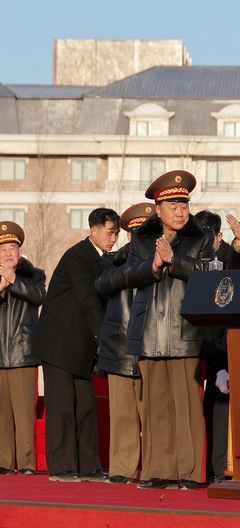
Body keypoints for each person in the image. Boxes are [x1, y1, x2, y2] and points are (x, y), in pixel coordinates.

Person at [124, 171, 216, 491]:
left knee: (187, 406)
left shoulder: (201, 237)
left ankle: (188, 472)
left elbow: (209, 272)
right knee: (156, 406)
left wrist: (174, 260)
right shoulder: (140, 239)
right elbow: (128, 274)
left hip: (185, 333)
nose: (180, 212)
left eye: (184, 206)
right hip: (150, 331)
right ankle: (157, 471)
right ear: (157, 209)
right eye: (173, 206)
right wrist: (152, 265)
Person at [32, 208, 120, 483]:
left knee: (85, 406)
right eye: (110, 232)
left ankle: (88, 466)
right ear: (93, 230)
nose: (114, 238)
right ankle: (61, 467)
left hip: (82, 345)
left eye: (117, 233)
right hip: (58, 344)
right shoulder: (78, 256)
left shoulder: (105, 259)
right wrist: (107, 343)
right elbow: (88, 301)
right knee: (62, 406)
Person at [94, 202, 155, 484]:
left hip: (150, 347)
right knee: (121, 415)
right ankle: (122, 468)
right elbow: (102, 285)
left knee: (153, 415)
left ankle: (155, 469)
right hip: (118, 346)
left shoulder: (164, 261)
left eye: (146, 232)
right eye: (136, 233)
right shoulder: (113, 261)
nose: (140, 238)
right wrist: (134, 263)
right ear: (129, 235)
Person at [0, 222, 45, 475]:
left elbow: (39, 297)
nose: (8, 253)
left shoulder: (34, 274)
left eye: (12, 248)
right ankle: (4, 463)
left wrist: (13, 281)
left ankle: (27, 464)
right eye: (3, 249)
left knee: (24, 414)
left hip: (23, 353)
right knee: (2, 415)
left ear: (20, 252)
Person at [193, 210, 232, 485]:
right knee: (203, 408)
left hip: (225, 347)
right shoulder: (196, 260)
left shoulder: (232, 260)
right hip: (200, 342)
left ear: (219, 236)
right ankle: (204, 468)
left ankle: (219, 470)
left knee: (219, 407)